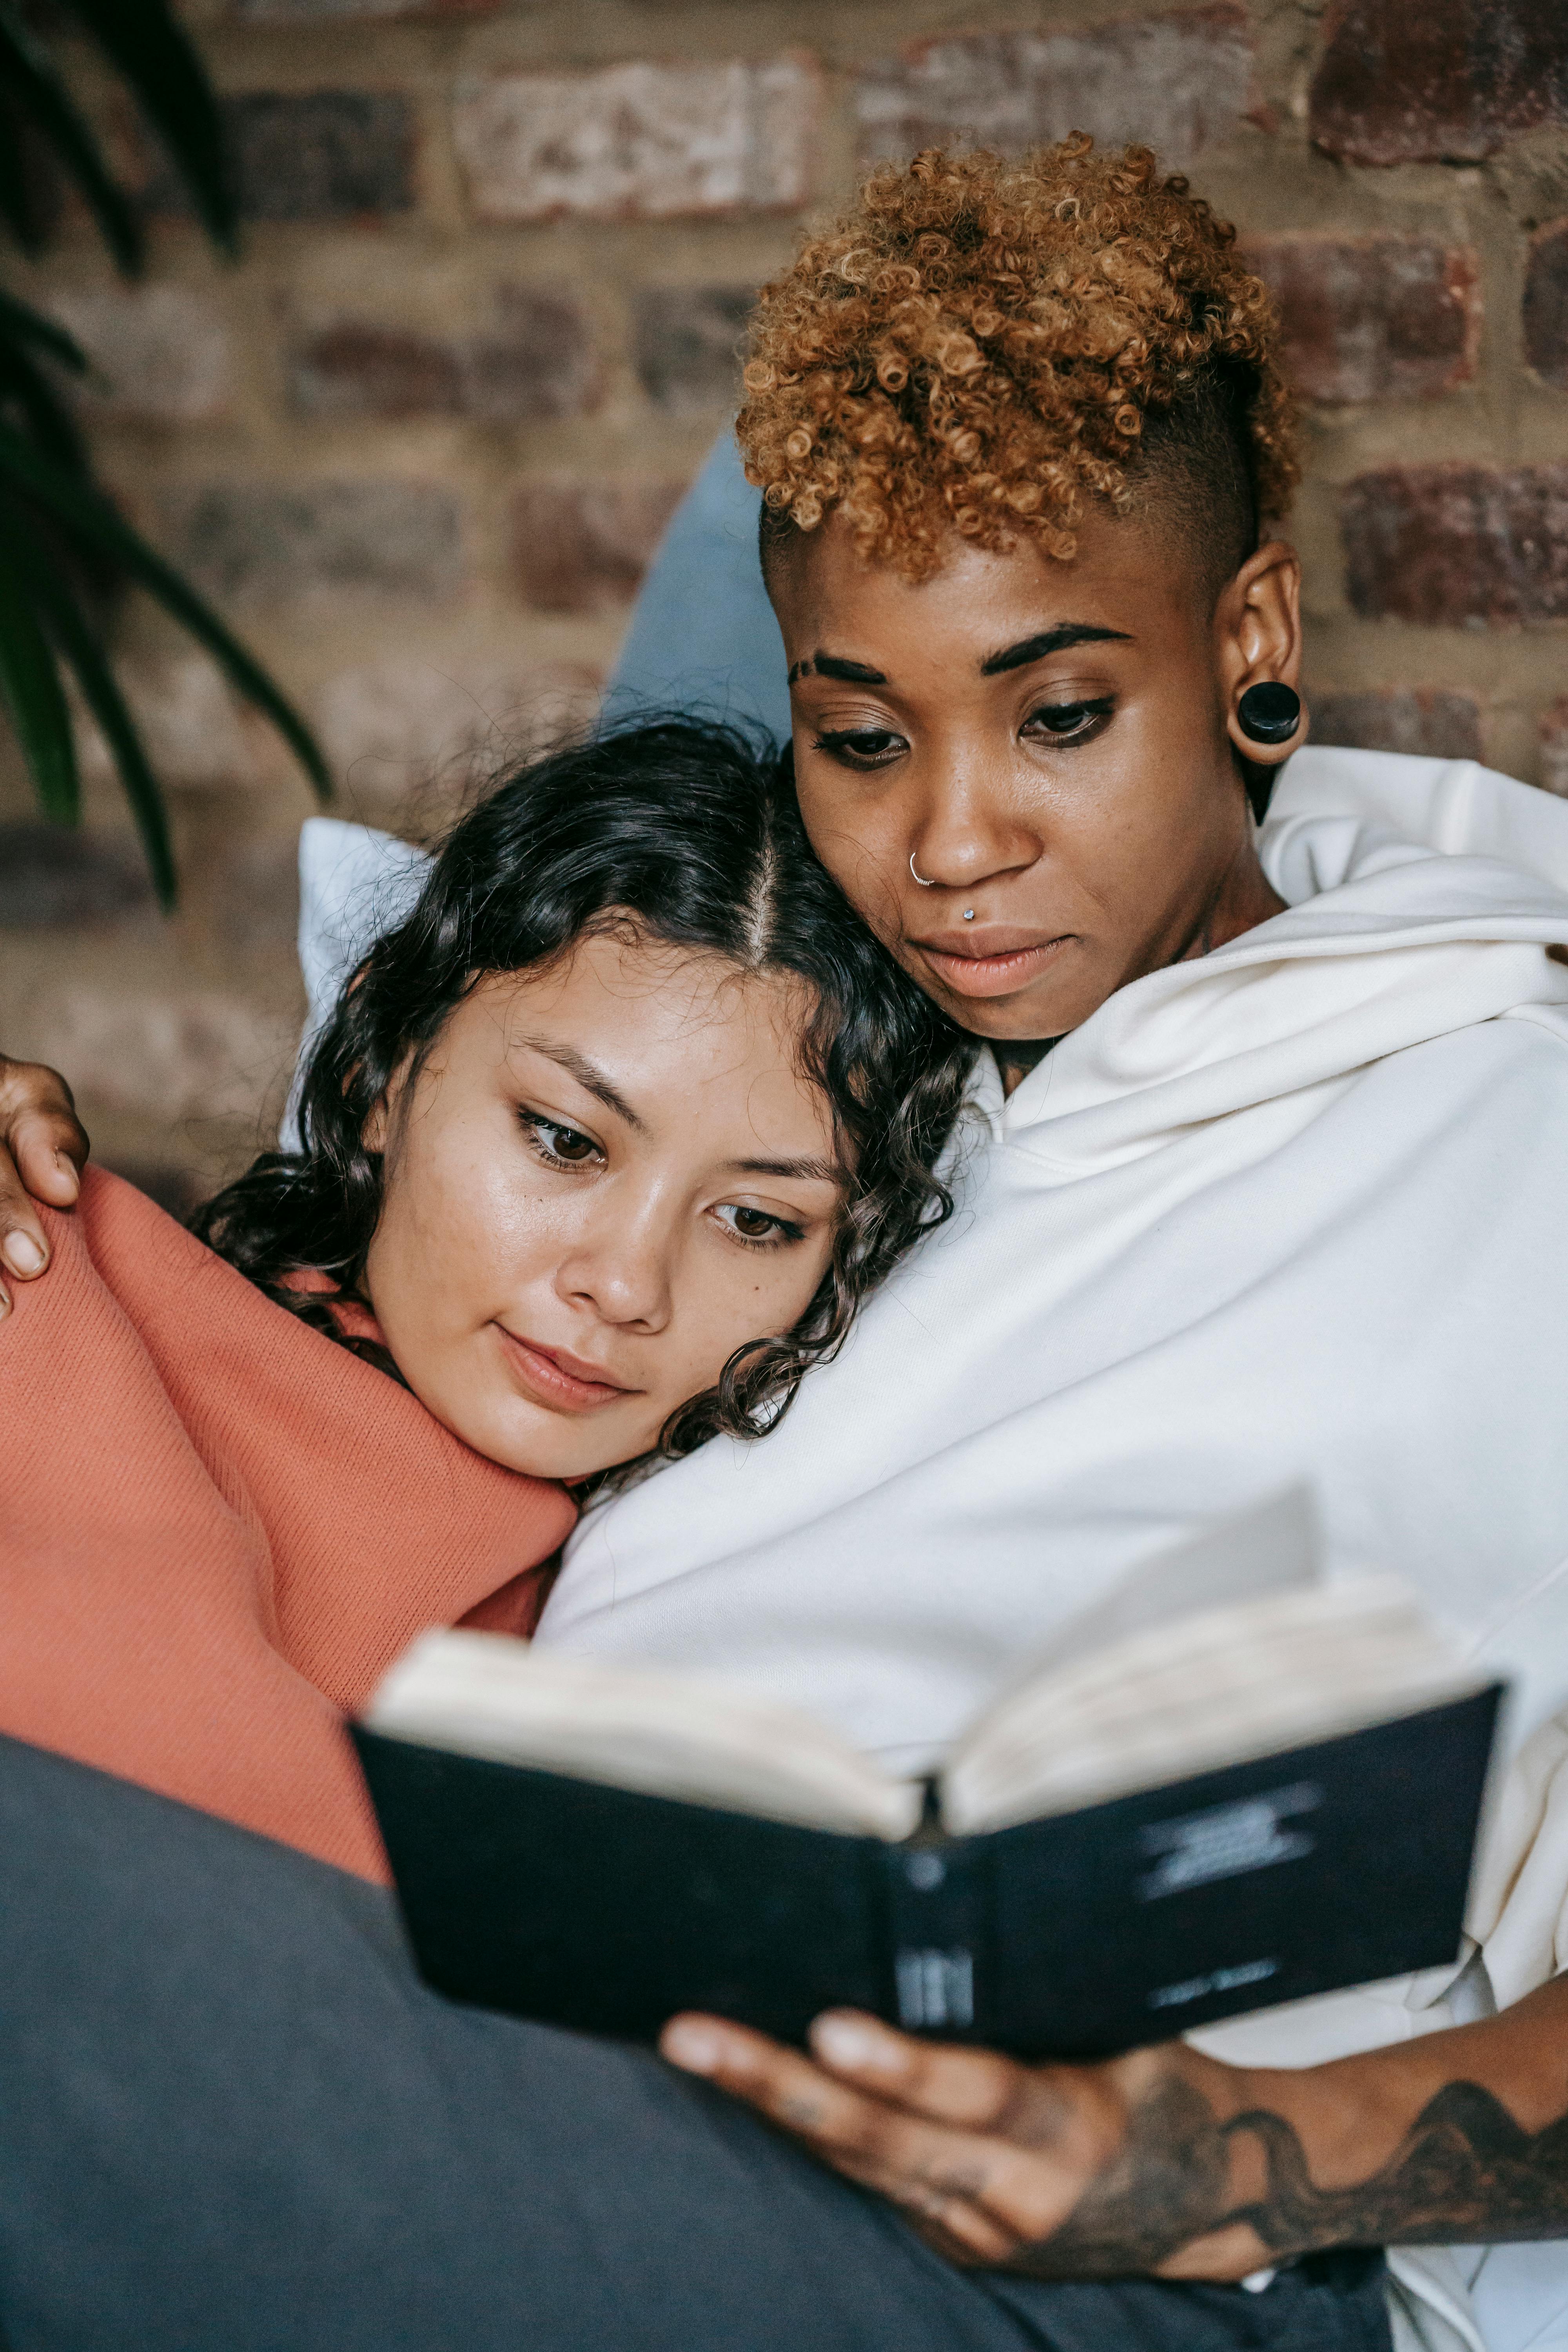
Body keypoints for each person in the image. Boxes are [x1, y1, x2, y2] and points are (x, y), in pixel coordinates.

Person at [2, 136, 1568, 2352]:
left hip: (1113, 2242)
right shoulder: (824, 1052)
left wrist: (1212, 2158)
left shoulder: (1514, 1128)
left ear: (1250, 642)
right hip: (571, 2049)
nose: (949, 845)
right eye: (858, 737)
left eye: (1061, 716)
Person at [0, 717, 968, 1879]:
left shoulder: (664, 1620)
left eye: (757, 1222)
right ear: (379, 1073)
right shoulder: (42, 1274)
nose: (622, 1285)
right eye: (564, 1140)